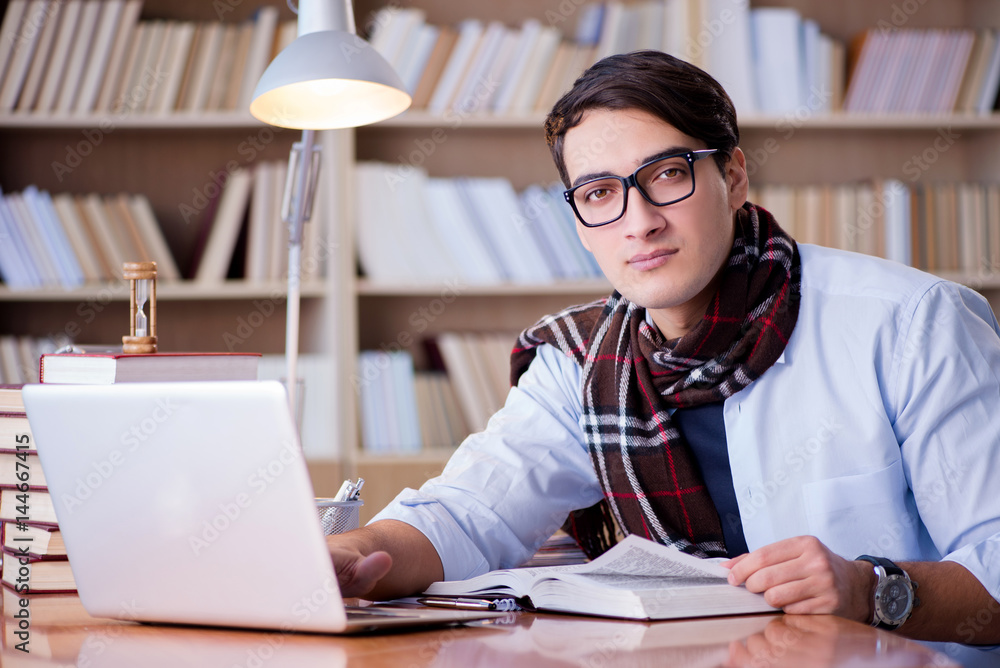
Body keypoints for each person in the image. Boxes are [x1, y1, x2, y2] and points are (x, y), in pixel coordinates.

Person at [328, 50, 1000, 643]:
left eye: (669, 175)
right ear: (580, 223)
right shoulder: (583, 361)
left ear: (733, 176)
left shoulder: (914, 323)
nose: (641, 221)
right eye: (599, 194)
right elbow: (468, 515)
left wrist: (868, 589)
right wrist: (352, 555)